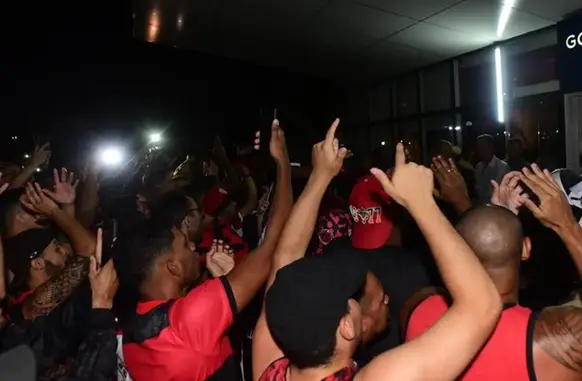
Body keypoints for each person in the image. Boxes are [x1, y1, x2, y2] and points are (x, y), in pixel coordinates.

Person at [252, 120, 502, 381]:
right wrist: (422, 205)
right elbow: (481, 306)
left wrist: (320, 175)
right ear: (347, 326)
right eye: (352, 298)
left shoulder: (267, 366)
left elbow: (286, 256)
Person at [117, 119, 292, 381]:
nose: (193, 247)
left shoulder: (130, 331)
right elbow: (272, 246)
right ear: (172, 266)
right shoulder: (190, 321)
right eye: (185, 246)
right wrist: (283, 164)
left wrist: (213, 281)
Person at [404, 190, 582, 380]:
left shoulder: (418, 305)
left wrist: (499, 220)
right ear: (526, 248)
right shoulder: (553, 339)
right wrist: (566, 225)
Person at [474, 134, 510, 204]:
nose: (480, 150)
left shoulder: (503, 167)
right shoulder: (478, 167)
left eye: (483, 146)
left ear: (491, 147)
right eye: (478, 147)